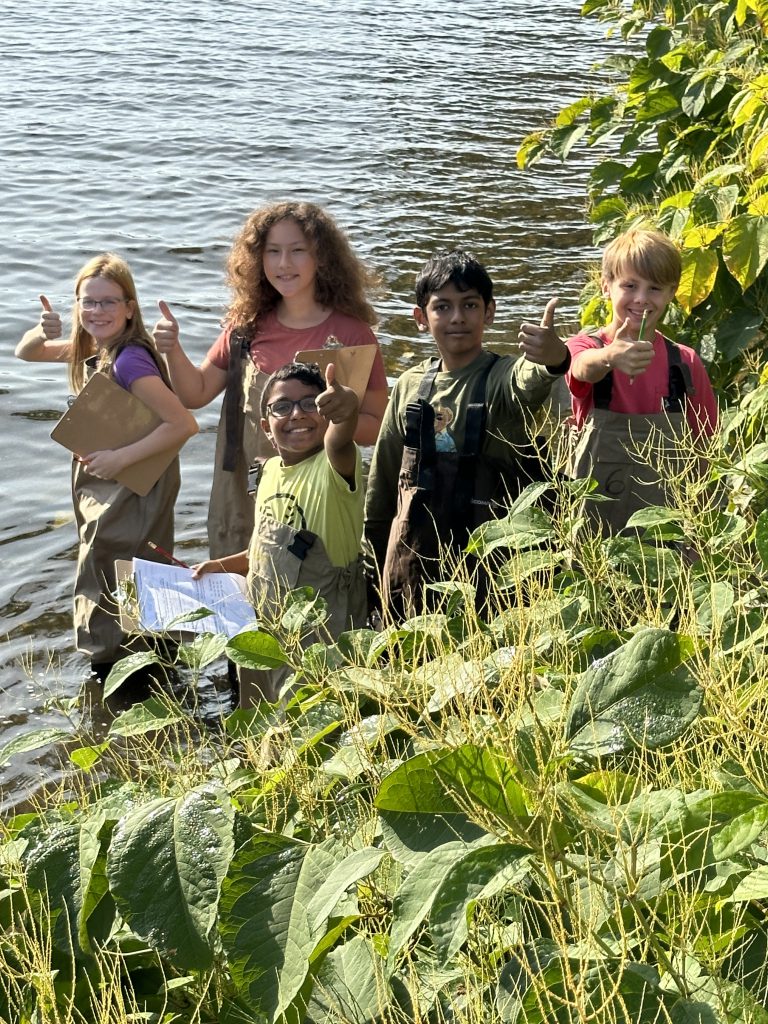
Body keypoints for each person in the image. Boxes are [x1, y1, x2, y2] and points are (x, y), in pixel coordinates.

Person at [153, 200, 388, 558]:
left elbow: (375, 427)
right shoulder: (246, 326)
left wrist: (335, 416)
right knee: (236, 588)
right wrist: (172, 349)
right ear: (257, 261)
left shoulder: (351, 334)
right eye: (273, 252)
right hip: (241, 485)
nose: (284, 264)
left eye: (298, 251)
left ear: (322, 257)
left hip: (316, 490)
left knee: (307, 584)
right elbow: (195, 393)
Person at [15, 254, 199, 679]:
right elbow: (28, 353)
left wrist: (119, 458)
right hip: (118, 476)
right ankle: (144, 660)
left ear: (129, 307)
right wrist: (38, 330)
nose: (96, 311)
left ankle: (120, 666)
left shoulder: (128, 360)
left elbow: (183, 424)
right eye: (87, 301)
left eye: (108, 302)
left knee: (113, 562)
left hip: (131, 477)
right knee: (124, 564)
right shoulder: (97, 347)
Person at [364, 249, 572, 618]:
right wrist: (374, 565)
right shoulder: (409, 386)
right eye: (442, 307)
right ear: (420, 318)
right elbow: (382, 485)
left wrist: (555, 358)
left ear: (489, 312)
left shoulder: (500, 379)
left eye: (470, 305)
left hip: (496, 576)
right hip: (414, 571)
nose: (457, 317)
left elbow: (530, 379)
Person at [192, 360, 367, 705]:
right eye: (282, 407)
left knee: (322, 724)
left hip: (324, 635)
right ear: (266, 427)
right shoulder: (269, 470)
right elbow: (266, 549)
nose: (297, 414)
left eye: (310, 403)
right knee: (265, 720)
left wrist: (347, 410)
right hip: (269, 631)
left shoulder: (334, 465)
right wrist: (220, 566)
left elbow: (341, 438)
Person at [557, 227, 718, 533]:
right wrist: (610, 357)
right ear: (606, 287)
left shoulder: (684, 362)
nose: (641, 299)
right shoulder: (587, 347)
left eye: (655, 288)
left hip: (664, 522)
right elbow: (579, 368)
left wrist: (701, 531)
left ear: (672, 293)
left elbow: (704, 450)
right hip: (593, 520)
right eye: (629, 286)